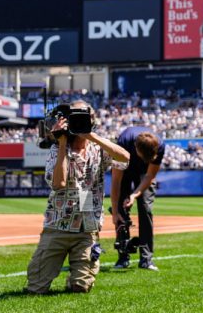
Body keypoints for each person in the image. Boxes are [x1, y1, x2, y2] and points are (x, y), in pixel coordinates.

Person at [26, 100, 130, 294]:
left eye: (86, 116)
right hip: (58, 225)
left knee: (81, 288)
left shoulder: (98, 148)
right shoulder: (57, 149)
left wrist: (90, 134)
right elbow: (59, 184)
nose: (81, 119)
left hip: (87, 227)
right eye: (76, 116)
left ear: (94, 119)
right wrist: (63, 141)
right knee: (36, 289)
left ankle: (76, 278)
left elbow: (125, 157)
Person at [110, 126, 164, 270]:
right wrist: (115, 212)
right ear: (135, 149)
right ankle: (123, 257)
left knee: (146, 208)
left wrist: (134, 195)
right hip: (125, 170)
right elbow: (116, 181)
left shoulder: (159, 146)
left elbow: (150, 176)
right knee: (122, 210)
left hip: (144, 175)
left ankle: (146, 259)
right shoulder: (122, 144)